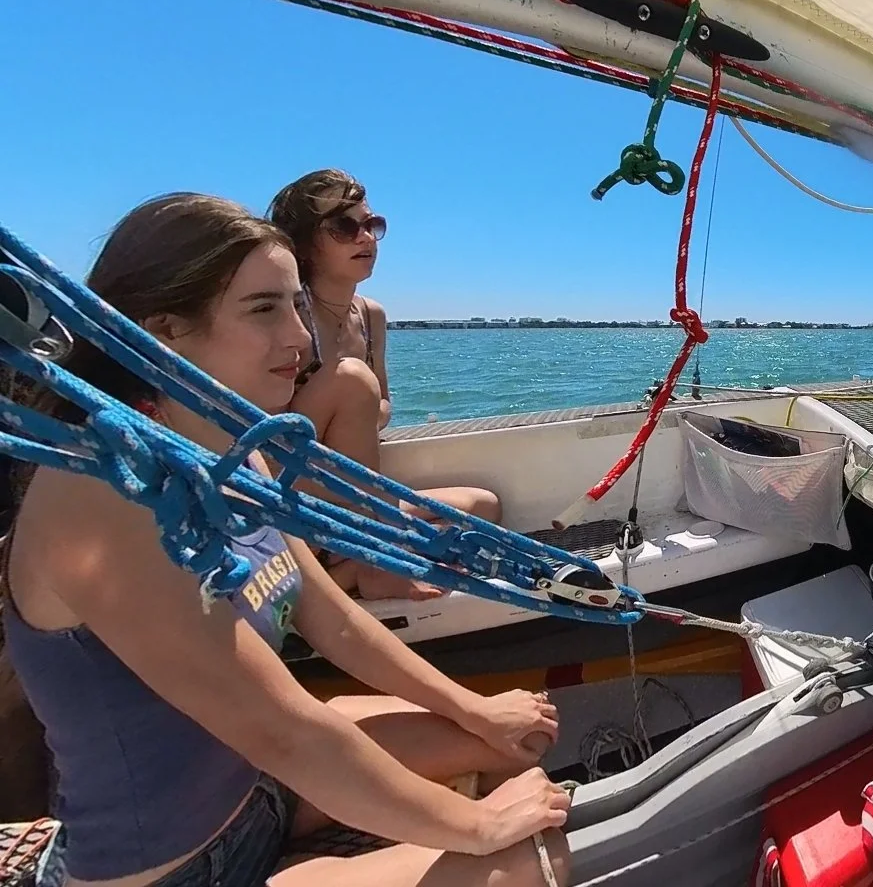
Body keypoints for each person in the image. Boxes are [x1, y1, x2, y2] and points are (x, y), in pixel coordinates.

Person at [2, 194, 571, 886]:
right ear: (166, 329)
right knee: (530, 864)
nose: (300, 338)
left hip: (261, 790)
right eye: (263, 308)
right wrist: (483, 830)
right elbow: (286, 731)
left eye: (297, 305)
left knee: (519, 745)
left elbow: (333, 620)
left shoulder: (232, 447)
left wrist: (474, 708)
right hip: (178, 870)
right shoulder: (104, 494)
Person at [266, 170, 501, 601]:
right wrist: (349, 398)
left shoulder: (370, 316)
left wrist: (359, 411)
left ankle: (344, 575)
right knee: (351, 379)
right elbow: (269, 435)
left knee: (482, 506)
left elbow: (384, 403)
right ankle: (376, 561)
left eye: (372, 225)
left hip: (351, 493)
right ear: (302, 243)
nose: (365, 238)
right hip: (291, 489)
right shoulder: (288, 314)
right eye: (344, 227)